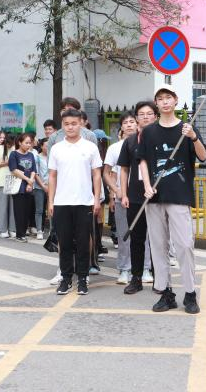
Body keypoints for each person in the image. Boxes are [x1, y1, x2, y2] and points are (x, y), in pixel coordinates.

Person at [138, 85, 206, 315]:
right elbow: (143, 160)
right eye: (160, 99)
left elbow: (203, 155)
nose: (165, 102)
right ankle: (166, 293)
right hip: (155, 197)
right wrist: (147, 186)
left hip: (179, 195)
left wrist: (193, 137)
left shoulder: (187, 128)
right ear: (156, 103)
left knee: (185, 245)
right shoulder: (149, 132)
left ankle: (190, 293)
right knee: (158, 246)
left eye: (168, 97)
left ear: (176, 101)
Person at [48, 108, 102, 296]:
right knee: (64, 242)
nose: (70, 127)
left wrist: (96, 199)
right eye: (66, 124)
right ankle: (66, 278)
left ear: (81, 124)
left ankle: (82, 278)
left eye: (74, 123)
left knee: (83, 242)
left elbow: (97, 175)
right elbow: (52, 176)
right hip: (62, 202)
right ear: (62, 125)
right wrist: (51, 201)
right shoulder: (57, 148)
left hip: (84, 202)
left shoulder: (90, 147)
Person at [118, 100, 159, 294]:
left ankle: (160, 278)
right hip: (135, 196)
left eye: (149, 113)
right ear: (136, 118)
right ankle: (136, 278)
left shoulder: (162, 138)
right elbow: (124, 169)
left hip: (158, 196)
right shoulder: (130, 141)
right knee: (136, 238)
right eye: (141, 114)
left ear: (155, 116)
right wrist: (124, 194)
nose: (145, 117)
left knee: (158, 239)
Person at [104, 112, 139, 285]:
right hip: (122, 197)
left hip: (142, 196)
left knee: (145, 235)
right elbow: (107, 173)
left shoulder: (145, 143)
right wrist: (116, 191)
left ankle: (145, 268)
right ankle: (125, 268)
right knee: (124, 234)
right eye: (126, 122)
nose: (129, 125)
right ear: (121, 127)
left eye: (132, 121)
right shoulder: (114, 148)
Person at [9, 133, 37, 242]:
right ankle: (19, 235)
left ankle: (23, 233)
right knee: (19, 212)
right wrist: (27, 179)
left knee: (27, 211)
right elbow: (14, 170)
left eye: (30, 143)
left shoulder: (31, 155)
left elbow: (33, 170)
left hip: (29, 186)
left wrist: (30, 183)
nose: (29, 145)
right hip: (18, 187)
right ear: (20, 143)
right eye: (26, 143)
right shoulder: (14, 154)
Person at [33, 138, 49, 240]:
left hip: (52, 187)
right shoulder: (37, 157)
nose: (48, 147)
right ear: (42, 146)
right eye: (46, 145)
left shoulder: (53, 157)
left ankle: (53, 230)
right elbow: (36, 174)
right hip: (39, 187)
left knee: (52, 209)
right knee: (39, 210)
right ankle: (39, 230)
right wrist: (43, 186)